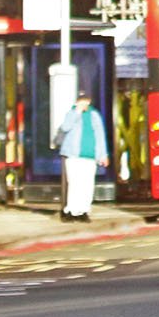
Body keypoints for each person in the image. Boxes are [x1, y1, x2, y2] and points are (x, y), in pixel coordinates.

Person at [54, 86, 109, 222]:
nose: (83, 103)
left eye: (85, 100)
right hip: (73, 154)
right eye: (80, 101)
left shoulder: (94, 115)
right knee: (74, 183)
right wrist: (77, 112)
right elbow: (66, 127)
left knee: (87, 184)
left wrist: (103, 155)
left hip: (90, 155)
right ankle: (71, 211)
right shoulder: (72, 114)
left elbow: (100, 136)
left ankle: (83, 210)